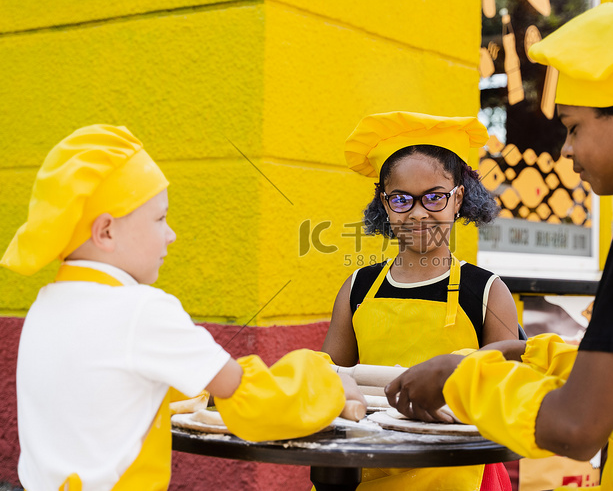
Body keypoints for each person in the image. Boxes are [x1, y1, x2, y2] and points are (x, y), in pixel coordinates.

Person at [384, 1, 613, 491]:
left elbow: (576, 428)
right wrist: (526, 354)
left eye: (575, 127)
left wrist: (459, 379)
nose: (567, 151)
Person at [2, 124, 364, 490]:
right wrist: (325, 382)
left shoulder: (45, 305)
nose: (171, 234)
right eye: (160, 219)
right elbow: (252, 403)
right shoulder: (141, 310)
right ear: (106, 231)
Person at [321, 111, 519, 490]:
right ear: (384, 202)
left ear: (457, 198)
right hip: (367, 470)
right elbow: (332, 378)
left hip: (455, 474)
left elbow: (509, 385)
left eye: (434, 197)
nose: (417, 213)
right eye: (400, 199)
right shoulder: (357, 287)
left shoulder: (487, 291)